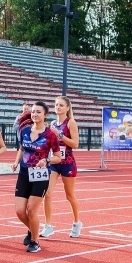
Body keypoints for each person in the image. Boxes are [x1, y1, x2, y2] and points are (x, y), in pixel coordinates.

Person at [12, 102, 62, 253]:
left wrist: (46, 160)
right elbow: (22, 149)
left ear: (45, 115)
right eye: (33, 112)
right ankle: (32, 229)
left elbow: (58, 157)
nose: (35, 114)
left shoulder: (50, 135)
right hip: (24, 173)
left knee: (31, 210)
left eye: (38, 112)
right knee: (20, 211)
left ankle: (35, 241)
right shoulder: (25, 130)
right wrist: (16, 162)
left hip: (40, 176)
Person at [41, 96, 83, 239]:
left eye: (61, 105)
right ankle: (48, 226)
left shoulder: (70, 122)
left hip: (67, 163)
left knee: (69, 195)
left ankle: (77, 222)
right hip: (54, 162)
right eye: (56, 105)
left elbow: (75, 144)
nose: (58, 107)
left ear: (67, 108)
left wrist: (59, 135)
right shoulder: (53, 123)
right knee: (47, 193)